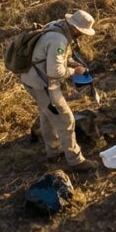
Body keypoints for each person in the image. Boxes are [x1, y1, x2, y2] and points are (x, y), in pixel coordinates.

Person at [20, 10, 98, 172]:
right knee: (66, 119)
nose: (82, 35)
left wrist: (72, 62)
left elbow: (54, 57)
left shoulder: (57, 27)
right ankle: (75, 161)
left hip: (32, 79)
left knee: (47, 114)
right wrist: (75, 71)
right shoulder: (59, 39)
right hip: (42, 83)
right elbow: (55, 71)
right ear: (77, 29)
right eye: (82, 32)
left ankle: (53, 152)